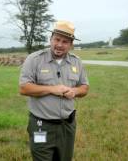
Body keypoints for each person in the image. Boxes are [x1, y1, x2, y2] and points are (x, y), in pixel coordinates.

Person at [19, 20, 89, 161]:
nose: (59, 45)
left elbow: (85, 87)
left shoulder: (76, 62)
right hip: (41, 126)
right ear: (50, 38)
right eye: (57, 39)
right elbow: (24, 88)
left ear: (71, 44)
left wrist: (75, 91)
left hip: (67, 126)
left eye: (65, 42)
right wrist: (52, 89)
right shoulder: (34, 59)